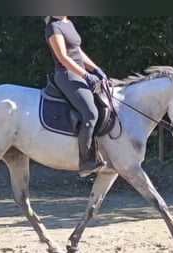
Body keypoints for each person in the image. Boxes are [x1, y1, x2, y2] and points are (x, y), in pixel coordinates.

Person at [45, 16, 108, 177]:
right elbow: (63, 57)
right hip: (67, 75)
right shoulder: (53, 27)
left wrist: (96, 69)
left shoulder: (68, 23)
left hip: (80, 73)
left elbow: (78, 52)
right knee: (91, 113)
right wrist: (86, 75)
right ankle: (86, 160)